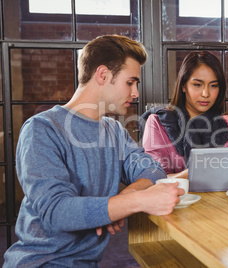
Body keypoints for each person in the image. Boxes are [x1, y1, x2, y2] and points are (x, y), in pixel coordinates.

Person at [3, 35, 184, 267]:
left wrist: (121, 201)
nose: (136, 92)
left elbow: (153, 170)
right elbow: (57, 212)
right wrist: (136, 202)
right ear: (103, 75)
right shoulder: (42, 129)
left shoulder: (114, 131)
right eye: (130, 82)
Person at [141, 51, 228, 178]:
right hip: (173, 197)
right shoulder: (157, 122)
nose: (205, 94)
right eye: (197, 85)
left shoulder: (226, 124)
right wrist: (196, 173)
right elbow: (155, 177)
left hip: (218, 197)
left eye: (213, 85)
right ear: (183, 86)